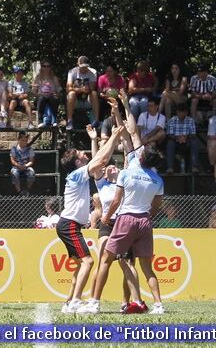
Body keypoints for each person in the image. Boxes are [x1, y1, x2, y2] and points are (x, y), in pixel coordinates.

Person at [82, 145, 167, 315]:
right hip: (144, 220)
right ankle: (158, 305)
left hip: (126, 218)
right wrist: (146, 216)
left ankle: (94, 302)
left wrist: (106, 218)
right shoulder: (158, 180)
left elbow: (116, 201)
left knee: (105, 260)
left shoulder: (126, 173)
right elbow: (157, 205)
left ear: (141, 158)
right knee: (146, 266)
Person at [56, 123, 124, 314]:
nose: (84, 155)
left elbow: (98, 160)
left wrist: (96, 139)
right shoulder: (77, 174)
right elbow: (100, 160)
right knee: (88, 262)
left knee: (80, 264)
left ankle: (69, 301)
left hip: (68, 225)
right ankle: (76, 301)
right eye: (81, 154)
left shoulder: (77, 174)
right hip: (69, 225)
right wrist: (114, 136)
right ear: (77, 163)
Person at [65, 56, 99, 130]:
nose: (84, 69)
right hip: (75, 101)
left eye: (85, 67)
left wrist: (87, 89)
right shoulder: (72, 72)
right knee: (71, 94)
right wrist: (81, 89)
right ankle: (70, 121)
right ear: (78, 64)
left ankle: (96, 120)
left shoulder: (93, 72)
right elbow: (68, 88)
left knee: (94, 93)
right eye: (82, 67)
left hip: (88, 100)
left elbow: (92, 87)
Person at [165, 103, 199, 173]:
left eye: (183, 112)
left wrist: (185, 137)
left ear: (186, 112)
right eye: (180, 112)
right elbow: (170, 134)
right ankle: (170, 167)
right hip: (175, 142)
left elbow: (193, 134)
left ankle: (194, 167)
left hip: (187, 143)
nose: (181, 114)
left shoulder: (191, 120)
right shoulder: (172, 120)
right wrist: (178, 138)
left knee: (194, 142)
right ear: (177, 112)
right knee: (170, 143)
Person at [32, 61, 62, 128]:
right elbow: (33, 92)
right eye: (44, 66)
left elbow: (59, 91)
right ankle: (40, 121)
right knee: (42, 98)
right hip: (41, 98)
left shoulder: (55, 78)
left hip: (51, 97)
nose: (46, 68)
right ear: (42, 67)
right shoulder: (37, 78)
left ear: (50, 68)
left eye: (48, 66)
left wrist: (56, 93)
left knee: (53, 98)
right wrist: (39, 94)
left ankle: (54, 120)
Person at [10, 131, 35, 195]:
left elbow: (31, 161)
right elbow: (12, 160)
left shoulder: (29, 149)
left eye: (26, 141)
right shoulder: (14, 149)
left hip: (26, 166)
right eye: (22, 140)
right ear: (18, 140)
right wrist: (18, 165)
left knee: (32, 173)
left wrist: (25, 166)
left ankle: (27, 190)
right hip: (17, 166)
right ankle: (19, 192)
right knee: (14, 173)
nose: (24, 142)